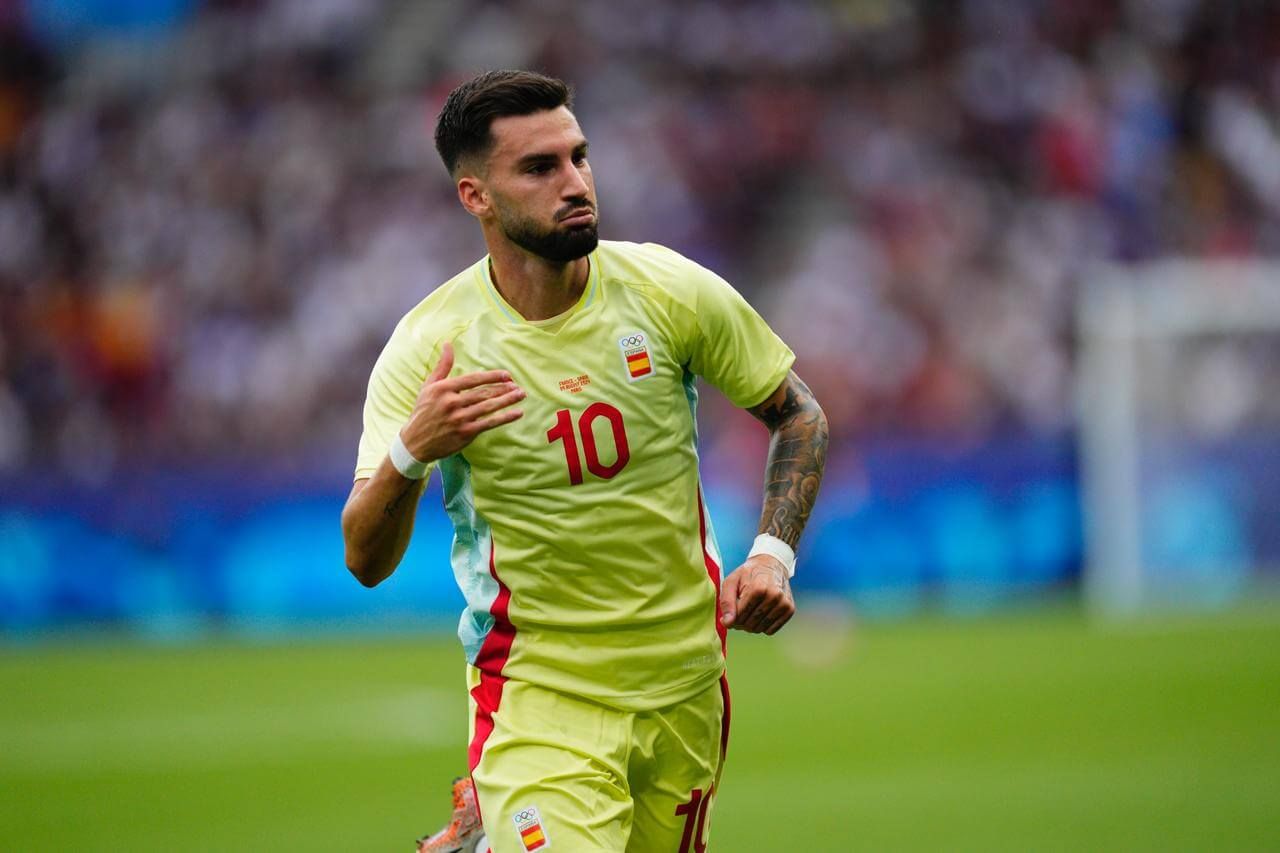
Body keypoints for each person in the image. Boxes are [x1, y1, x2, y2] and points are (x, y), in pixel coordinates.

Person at [341, 69, 828, 853]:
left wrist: (772, 554)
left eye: (578, 157)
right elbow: (364, 557)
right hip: (539, 694)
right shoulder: (433, 348)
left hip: (685, 683)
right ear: (476, 197)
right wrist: (411, 448)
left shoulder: (667, 292)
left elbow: (797, 412)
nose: (575, 183)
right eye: (539, 168)